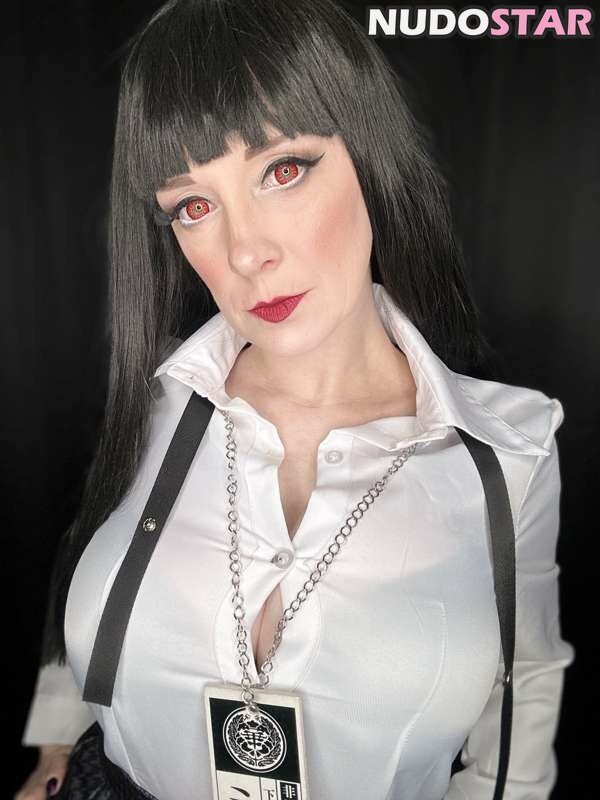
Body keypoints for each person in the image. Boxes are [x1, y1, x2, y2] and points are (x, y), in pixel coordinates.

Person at [16, 1, 574, 799]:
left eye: (283, 171)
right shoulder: (158, 398)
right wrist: (50, 748)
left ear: (369, 156)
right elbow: (82, 559)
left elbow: (525, 694)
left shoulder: (510, 450)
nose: (246, 252)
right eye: (193, 206)